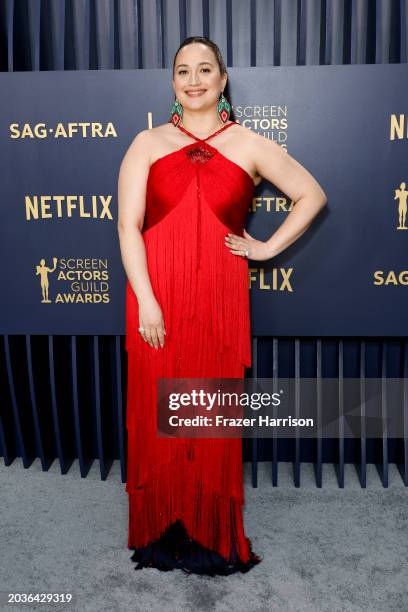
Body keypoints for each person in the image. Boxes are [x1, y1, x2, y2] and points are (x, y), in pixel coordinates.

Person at [117, 35, 327, 576]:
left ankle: (211, 531)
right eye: (183, 71)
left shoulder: (251, 144)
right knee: (160, 411)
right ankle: (163, 527)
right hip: (156, 297)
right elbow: (128, 226)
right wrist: (146, 300)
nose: (194, 80)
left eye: (205, 69)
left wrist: (266, 248)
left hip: (217, 299)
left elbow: (311, 194)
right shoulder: (145, 142)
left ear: (222, 78)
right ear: (173, 82)